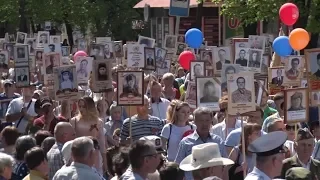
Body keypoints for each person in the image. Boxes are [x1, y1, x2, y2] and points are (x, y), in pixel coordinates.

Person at [175, 107, 227, 180]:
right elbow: (178, 166)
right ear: (195, 121)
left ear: (211, 121)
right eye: (201, 121)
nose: (204, 124)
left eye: (207, 120)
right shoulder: (186, 142)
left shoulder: (218, 141)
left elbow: (224, 166)